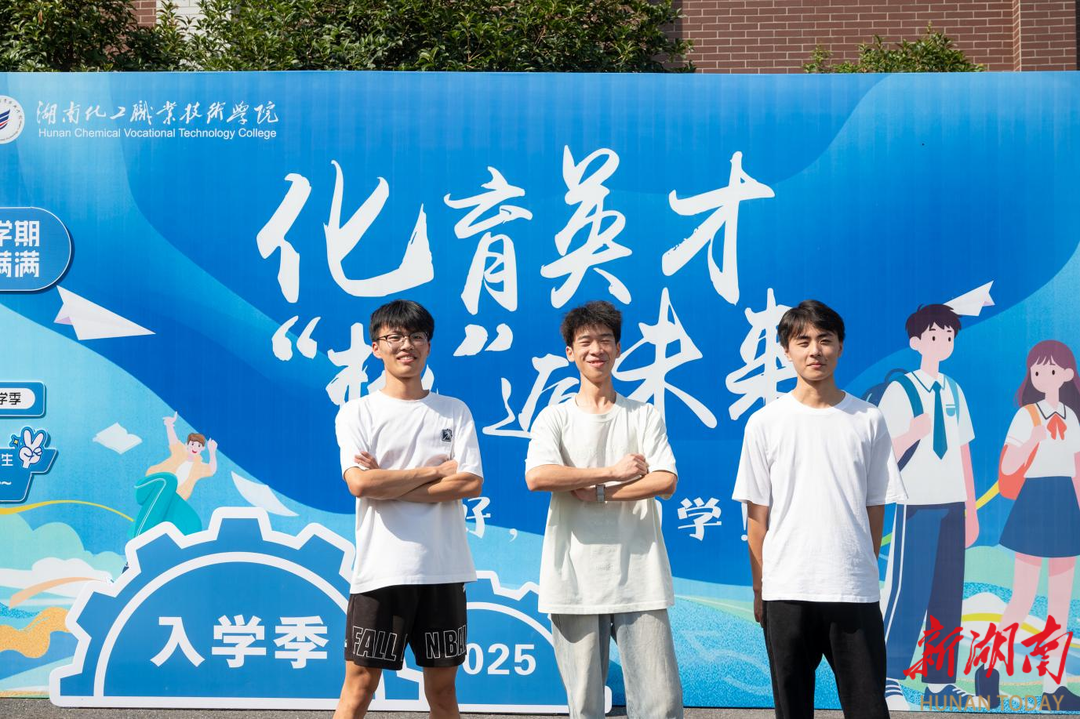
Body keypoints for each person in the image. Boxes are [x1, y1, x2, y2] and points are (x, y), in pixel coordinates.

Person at [733, 299, 905, 719]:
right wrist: (760, 589)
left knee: (868, 708)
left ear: (840, 347)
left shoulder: (868, 419)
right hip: (786, 590)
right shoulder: (765, 423)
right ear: (786, 351)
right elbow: (757, 517)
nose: (815, 351)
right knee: (792, 709)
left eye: (825, 340)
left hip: (852, 589)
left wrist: (863, 567)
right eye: (803, 341)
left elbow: (875, 506)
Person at [524, 300, 683, 719]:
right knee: (585, 705)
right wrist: (613, 472)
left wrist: (598, 492)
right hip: (573, 579)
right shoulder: (554, 418)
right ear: (570, 352)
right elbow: (538, 476)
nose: (596, 349)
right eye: (586, 342)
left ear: (618, 349)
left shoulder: (643, 414)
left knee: (661, 703)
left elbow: (665, 480)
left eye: (605, 340)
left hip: (640, 575)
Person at [333, 299, 484, 719]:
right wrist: (433, 473)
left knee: (443, 690)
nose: (406, 346)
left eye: (416, 337)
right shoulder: (357, 412)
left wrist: (388, 482)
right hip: (381, 571)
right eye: (394, 337)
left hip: (443, 570)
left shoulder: (454, 411)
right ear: (375, 346)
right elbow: (360, 483)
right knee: (359, 686)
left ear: (428, 346)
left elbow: (469, 483)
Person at [877, 304, 978, 709]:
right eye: (934, 336)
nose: (943, 343)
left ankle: (940, 683)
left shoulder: (954, 390)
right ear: (916, 342)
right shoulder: (901, 390)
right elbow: (884, 451)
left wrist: (971, 508)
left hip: (953, 504)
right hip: (917, 504)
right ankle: (888, 676)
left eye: (949, 337)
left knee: (947, 595)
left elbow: (964, 451)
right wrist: (911, 434)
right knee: (909, 592)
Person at [994, 340, 1080, 709]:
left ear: (1067, 374)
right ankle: (989, 669)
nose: (1044, 375)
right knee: (1023, 597)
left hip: (1065, 504)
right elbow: (1008, 467)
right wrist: (1033, 439)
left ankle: (1053, 687)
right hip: (1034, 501)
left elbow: (1077, 471)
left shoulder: (1072, 417)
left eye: (1052, 369)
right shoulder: (1026, 416)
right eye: (1037, 370)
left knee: (1060, 604)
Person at [131, 413, 218, 537]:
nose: (195, 447)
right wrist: (169, 424)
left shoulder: (198, 467)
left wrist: (212, 452)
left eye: (198, 446)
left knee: (193, 523)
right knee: (170, 480)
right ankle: (140, 534)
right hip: (150, 487)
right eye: (192, 444)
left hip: (171, 497)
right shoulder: (179, 452)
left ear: (202, 449)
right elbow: (173, 440)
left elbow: (211, 470)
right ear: (187, 445)